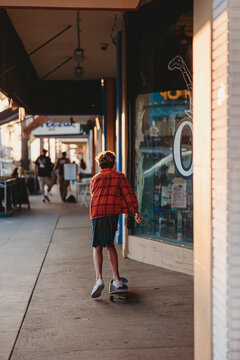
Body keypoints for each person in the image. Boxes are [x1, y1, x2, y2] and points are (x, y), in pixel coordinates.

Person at [90, 150, 142, 298]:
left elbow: (94, 197)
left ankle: (98, 279)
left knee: (97, 246)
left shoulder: (95, 179)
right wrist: (135, 212)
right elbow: (128, 194)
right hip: (112, 212)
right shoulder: (119, 176)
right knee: (110, 245)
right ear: (113, 164)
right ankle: (117, 279)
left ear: (99, 165)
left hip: (97, 213)